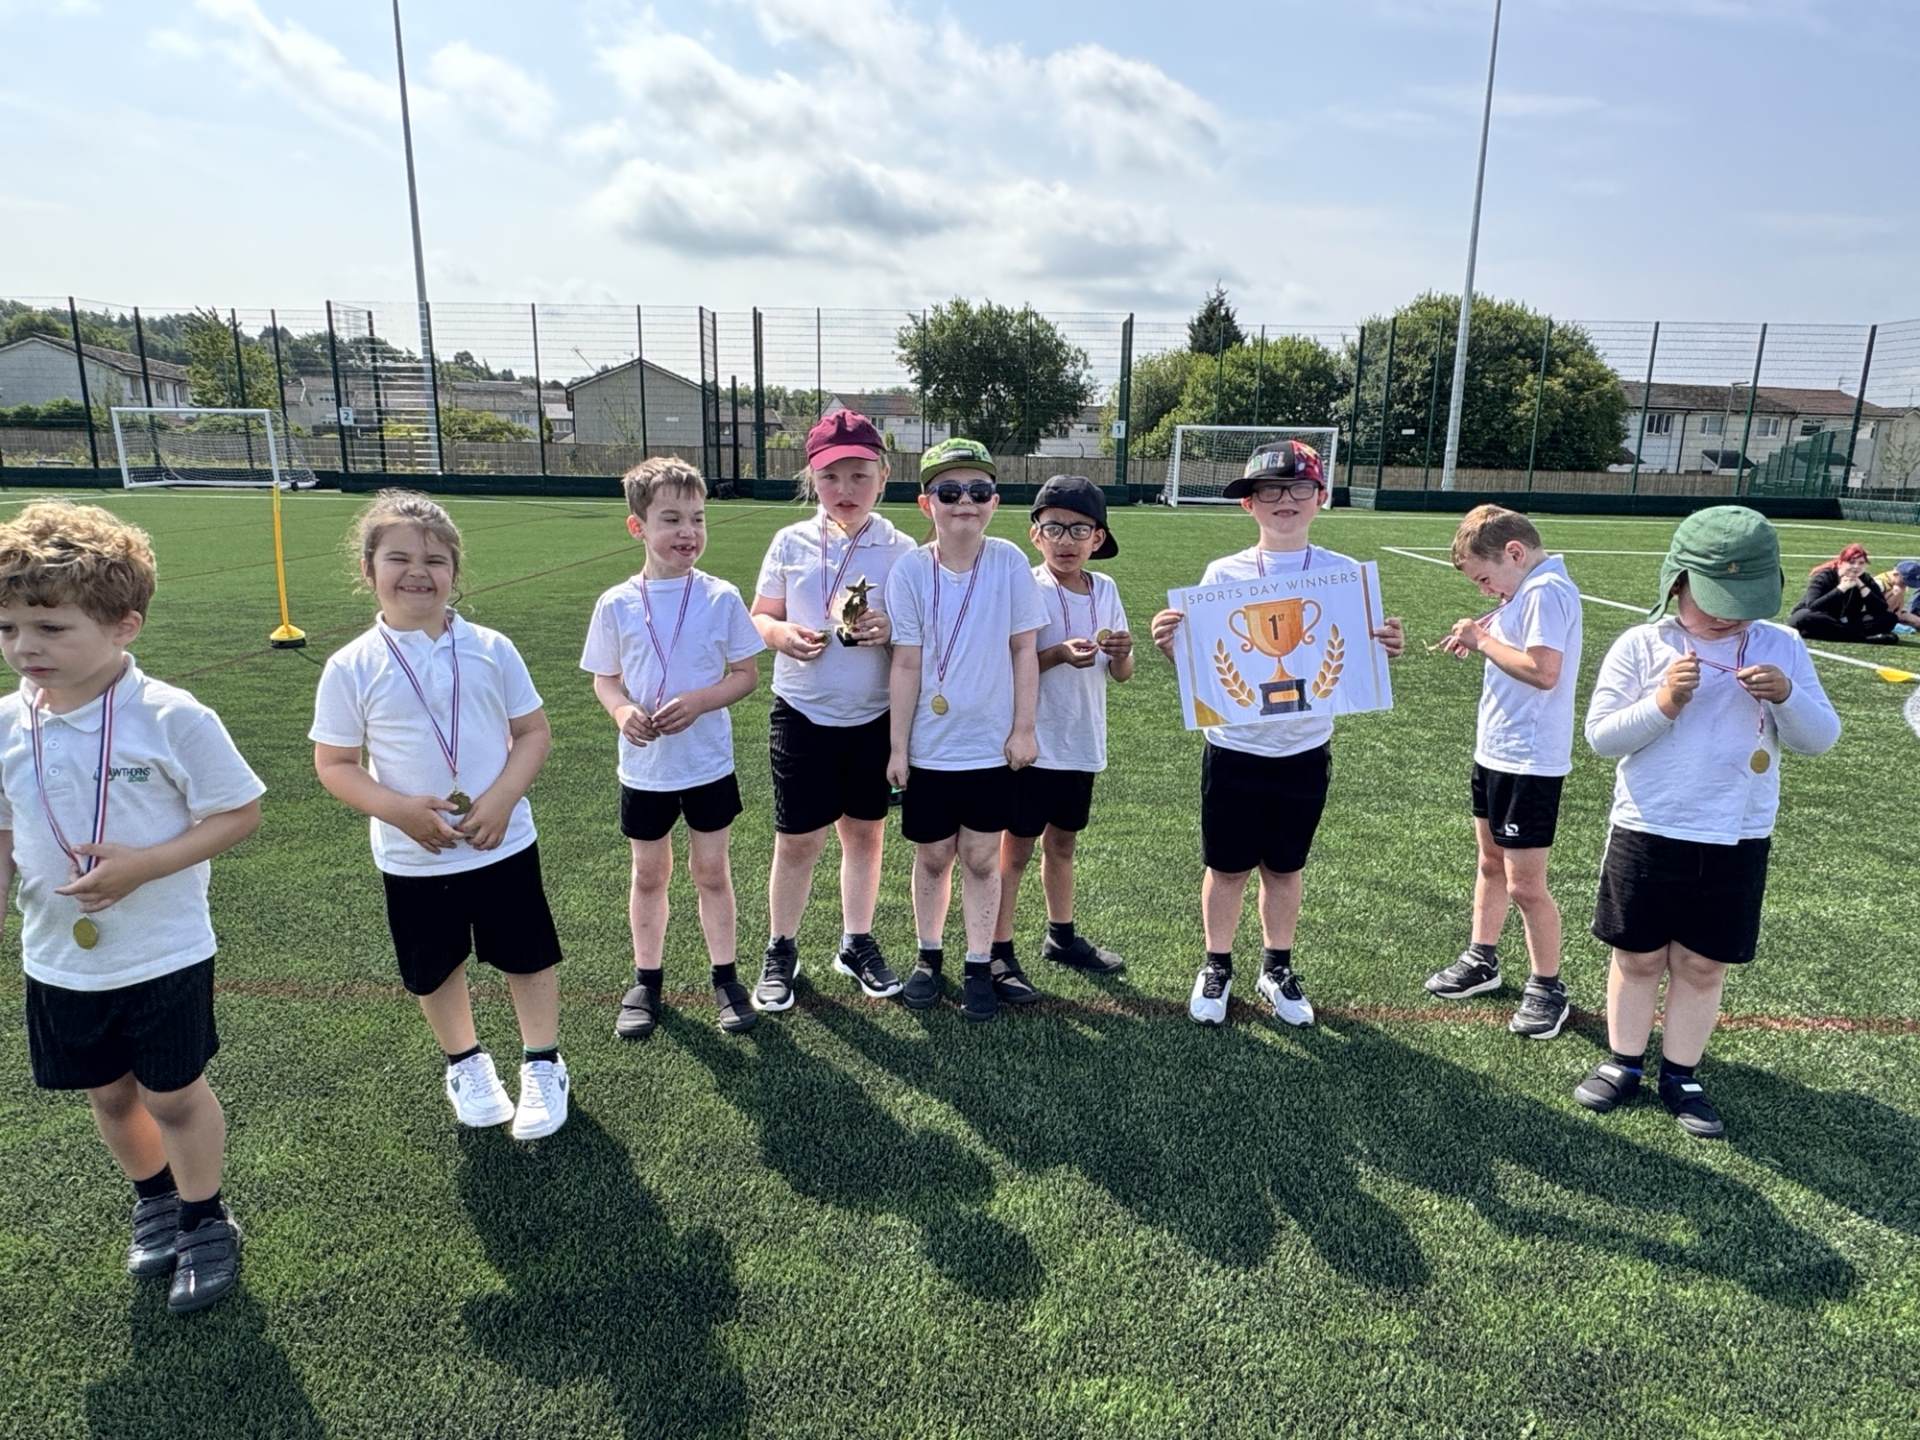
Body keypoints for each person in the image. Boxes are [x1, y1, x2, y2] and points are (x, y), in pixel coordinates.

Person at [0, 501, 263, 1313]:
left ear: (124, 626)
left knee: (173, 1094)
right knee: (109, 1094)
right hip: (58, 955)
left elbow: (238, 812)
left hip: (163, 949)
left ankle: (205, 1217)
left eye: (50, 627)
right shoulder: (7, 722)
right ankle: (154, 1198)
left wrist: (146, 865)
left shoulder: (171, 716)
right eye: (8, 628)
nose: (25, 648)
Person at [312, 491, 570, 1141]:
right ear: (368, 570)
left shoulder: (491, 648)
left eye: (434, 559)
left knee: (527, 955)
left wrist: (503, 798)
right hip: (415, 856)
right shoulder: (351, 666)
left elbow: (533, 733)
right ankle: (466, 1063)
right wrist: (398, 811)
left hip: (502, 842)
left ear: (455, 570)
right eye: (398, 558)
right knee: (435, 965)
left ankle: (543, 1063)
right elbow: (335, 763)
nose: (418, 572)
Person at [1577, 506, 1840, 1139]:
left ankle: (1682, 1074)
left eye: (1743, 602)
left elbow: (1820, 738)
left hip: (1736, 835)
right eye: (1715, 599)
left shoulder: (1783, 645)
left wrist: (1788, 696)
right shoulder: (1642, 644)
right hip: (1648, 826)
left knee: (1702, 965)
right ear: (1677, 581)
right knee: (1638, 957)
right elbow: (1601, 737)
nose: (1728, 615)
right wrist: (1664, 702)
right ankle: (1624, 1061)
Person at [1150, 441, 1405, 1028]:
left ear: (1321, 497)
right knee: (1226, 868)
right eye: (1269, 490)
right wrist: (1173, 648)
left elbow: (1358, 659)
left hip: (1305, 751)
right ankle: (1217, 964)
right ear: (1249, 504)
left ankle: (1277, 967)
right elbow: (1207, 665)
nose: (1283, 500)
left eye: (1297, 488)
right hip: (1234, 750)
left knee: (1285, 869)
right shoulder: (1223, 574)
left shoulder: (1344, 575)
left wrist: (1385, 647)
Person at [582, 458, 766, 1039]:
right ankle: (647, 980)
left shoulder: (720, 596)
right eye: (671, 519)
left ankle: (726, 979)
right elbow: (605, 679)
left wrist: (701, 701)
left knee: (711, 871)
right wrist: (622, 711)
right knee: (648, 874)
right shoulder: (616, 603)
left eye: (697, 518)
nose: (688, 532)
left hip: (706, 764)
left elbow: (746, 675)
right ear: (637, 527)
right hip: (645, 768)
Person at [748, 412, 917, 1012]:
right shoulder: (790, 542)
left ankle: (856, 941)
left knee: (865, 836)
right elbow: (760, 614)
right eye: (830, 477)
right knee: (797, 839)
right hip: (802, 711)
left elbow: (915, 640)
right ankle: (781, 948)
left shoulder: (903, 551)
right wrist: (781, 635)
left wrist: (889, 629)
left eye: (859, 476)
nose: (845, 489)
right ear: (812, 480)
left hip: (873, 715)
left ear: (883, 477)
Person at [884, 438, 1046, 1022]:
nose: (964, 503)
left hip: (990, 745)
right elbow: (905, 662)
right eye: (949, 492)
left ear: (994, 502)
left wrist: (1024, 729)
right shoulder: (909, 570)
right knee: (932, 856)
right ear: (926, 503)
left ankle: (979, 963)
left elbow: (1024, 651)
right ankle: (929, 956)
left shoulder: (1008, 562)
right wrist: (898, 747)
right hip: (931, 747)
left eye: (978, 491)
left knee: (980, 856)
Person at [1424, 505, 1583, 1040]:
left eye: (1484, 579)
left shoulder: (1546, 592)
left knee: (1525, 885)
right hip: (1498, 753)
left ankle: (1548, 986)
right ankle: (1482, 958)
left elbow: (1544, 670)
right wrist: (1489, 627)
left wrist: (1482, 639)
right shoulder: (1526, 591)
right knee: (1491, 863)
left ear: (1515, 553)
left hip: (1529, 761)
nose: (1486, 590)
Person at [991, 475, 1133, 987]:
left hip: (1081, 740)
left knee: (1064, 843)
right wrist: (1056, 654)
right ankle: (997, 946)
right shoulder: (1026, 587)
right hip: (1032, 742)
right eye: (1054, 528)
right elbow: (1007, 666)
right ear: (1035, 535)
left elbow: (1121, 674)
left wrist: (1122, 653)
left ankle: (1061, 935)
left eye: (1079, 529)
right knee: (1016, 849)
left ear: (1098, 538)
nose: (1066, 540)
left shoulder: (1106, 589)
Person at [1787, 543, 1899, 643]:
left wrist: (1862, 587)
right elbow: (1813, 605)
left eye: (1861, 563)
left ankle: (1845, 634)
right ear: (1840, 563)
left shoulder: (1865, 579)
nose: (1856, 567)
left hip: (1845, 620)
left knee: (1889, 618)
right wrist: (1841, 589)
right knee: (1804, 617)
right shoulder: (1824, 576)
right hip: (1822, 617)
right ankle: (1862, 638)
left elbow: (1881, 608)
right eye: (1851, 562)